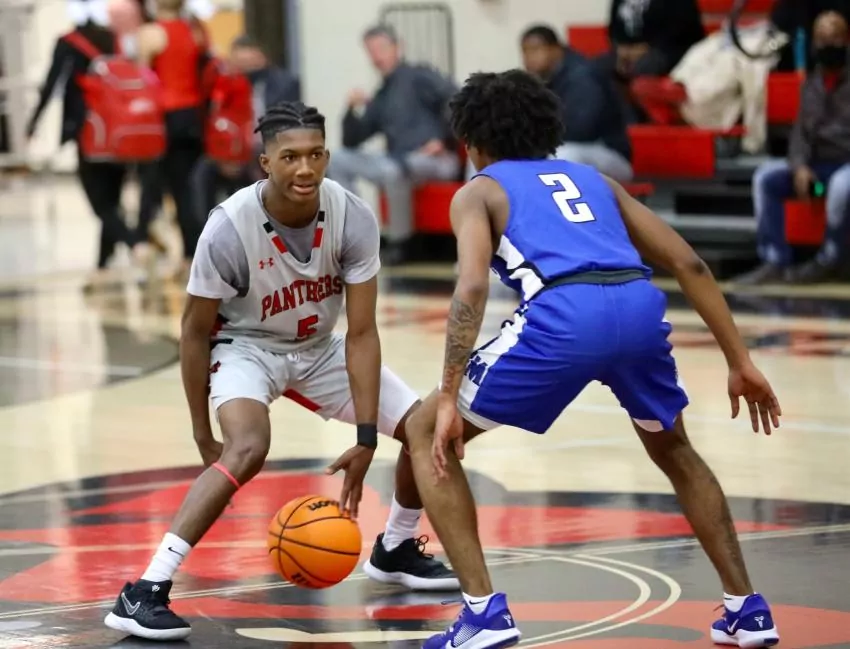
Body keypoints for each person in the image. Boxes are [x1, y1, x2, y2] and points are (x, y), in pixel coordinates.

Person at [403, 70, 783, 649]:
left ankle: (482, 614)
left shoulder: (477, 191)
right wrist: (740, 361)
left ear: (471, 141)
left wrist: (450, 394)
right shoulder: (595, 179)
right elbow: (690, 265)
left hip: (563, 314)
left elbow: (472, 287)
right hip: (637, 306)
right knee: (675, 450)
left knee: (425, 426)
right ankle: (747, 608)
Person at [103, 102, 458, 642]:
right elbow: (194, 332)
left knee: (425, 427)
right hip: (247, 347)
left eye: (315, 155)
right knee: (247, 448)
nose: (305, 168)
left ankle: (396, 547)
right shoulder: (228, 229)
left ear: (328, 157)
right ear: (265, 162)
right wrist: (201, 430)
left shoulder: (353, 216)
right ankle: (145, 590)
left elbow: (362, 333)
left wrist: (366, 436)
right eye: (290, 157)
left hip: (318, 346)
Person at [327, 24, 459, 265]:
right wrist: (351, 111)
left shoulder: (420, 76)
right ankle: (355, 235)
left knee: (393, 169)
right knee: (338, 159)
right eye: (371, 51)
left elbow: (456, 99)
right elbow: (352, 141)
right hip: (398, 161)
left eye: (381, 48)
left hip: (437, 160)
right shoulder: (382, 94)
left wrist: (443, 139)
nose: (376, 56)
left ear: (398, 47)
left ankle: (402, 244)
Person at [736, 11, 850, 285]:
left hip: (846, 165)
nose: (828, 45)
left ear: (847, 41)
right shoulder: (811, 83)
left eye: (835, 38)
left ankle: (830, 259)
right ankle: (775, 259)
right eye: (822, 39)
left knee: (840, 186)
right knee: (765, 178)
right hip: (817, 171)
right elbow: (799, 133)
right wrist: (799, 167)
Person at [520, 24, 632, 182]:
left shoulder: (583, 75)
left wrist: (535, 141)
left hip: (609, 153)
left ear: (556, 49)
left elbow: (580, 130)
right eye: (525, 51)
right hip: (574, 148)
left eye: (535, 49)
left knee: (563, 156)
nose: (529, 58)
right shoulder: (543, 79)